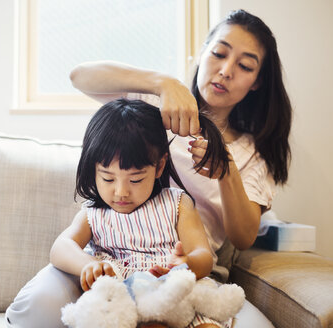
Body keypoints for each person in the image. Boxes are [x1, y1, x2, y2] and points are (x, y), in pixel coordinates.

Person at [69, 8, 291, 328]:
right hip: (118, 261)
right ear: (201, 53)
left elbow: (243, 237)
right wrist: (162, 83)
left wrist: (226, 170)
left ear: (257, 82)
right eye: (218, 53)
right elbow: (79, 76)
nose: (226, 71)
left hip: (191, 272)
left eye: (244, 66)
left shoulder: (252, 154)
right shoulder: (153, 108)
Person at [6, 98, 232, 328]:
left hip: (172, 291)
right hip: (121, 301)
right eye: (108, 178)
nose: (121, 192)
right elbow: (61, 247)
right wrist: (87, 264)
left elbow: (203, 255)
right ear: (93, 169)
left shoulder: (177, 203)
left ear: (160, 166)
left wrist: (184, 264)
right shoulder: (93, 214)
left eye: (135, 179)